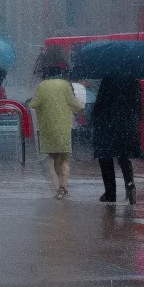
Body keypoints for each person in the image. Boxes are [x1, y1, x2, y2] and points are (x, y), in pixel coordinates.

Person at [29, 66, 84, 199]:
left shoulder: (42, 86)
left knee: (51, 158)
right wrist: (82, 109)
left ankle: (57, 187)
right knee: (64, 157)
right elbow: (74, 103)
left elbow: (33, 104)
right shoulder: (65, 85)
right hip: (64, 126)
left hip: (47, 127)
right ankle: (64, 186)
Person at [91, 77, 141, 205]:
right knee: (123, 154)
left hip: (108, 124)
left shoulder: (108, 80)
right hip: (127, 124)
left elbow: (100, 105)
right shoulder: (133, 79)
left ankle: (110, 192)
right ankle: (129, 182)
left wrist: (93, 117)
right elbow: (139, 105)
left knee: (105, 157)